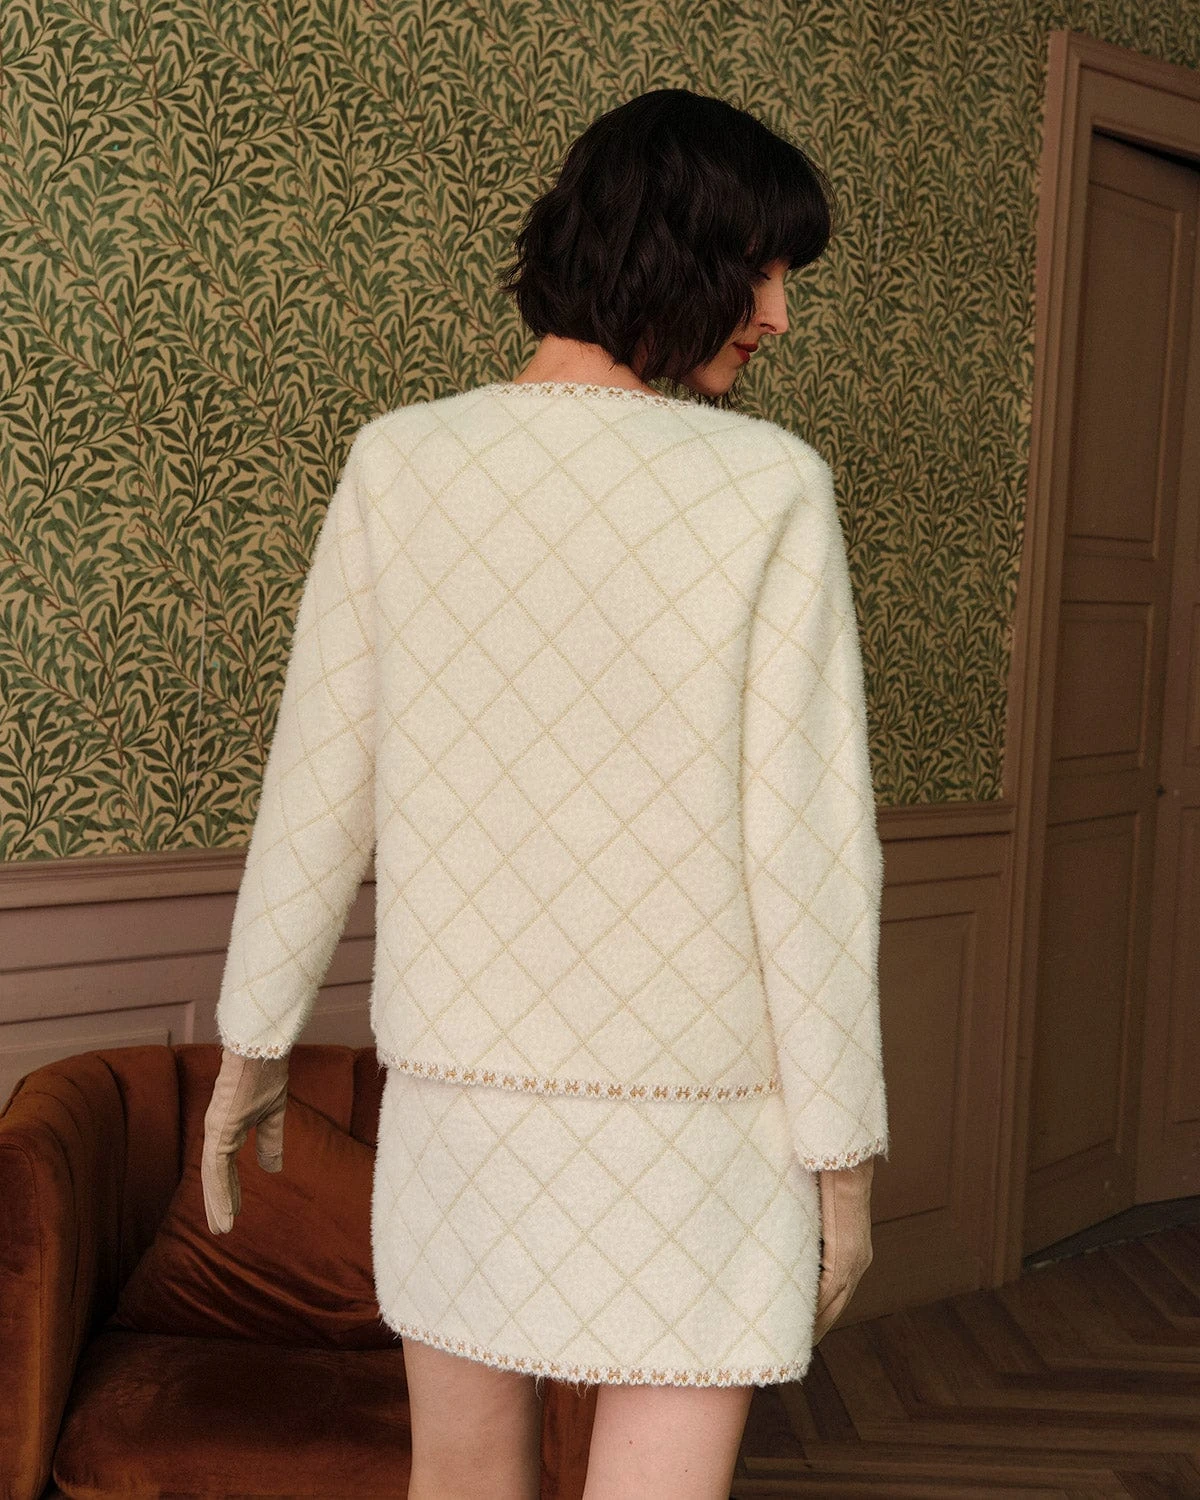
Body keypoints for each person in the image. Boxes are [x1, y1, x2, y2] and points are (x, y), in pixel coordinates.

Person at [201, 87, 888, 1500]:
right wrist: (845, 1162)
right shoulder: (770, 489)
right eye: (762, 270)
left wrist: (252, 1044)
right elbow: (809, 854)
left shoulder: (402, 463)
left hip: (467, 1104)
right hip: (703, 1118)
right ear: (675, 251)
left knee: (460, 1481)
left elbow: (317, 783)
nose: (778, 315)